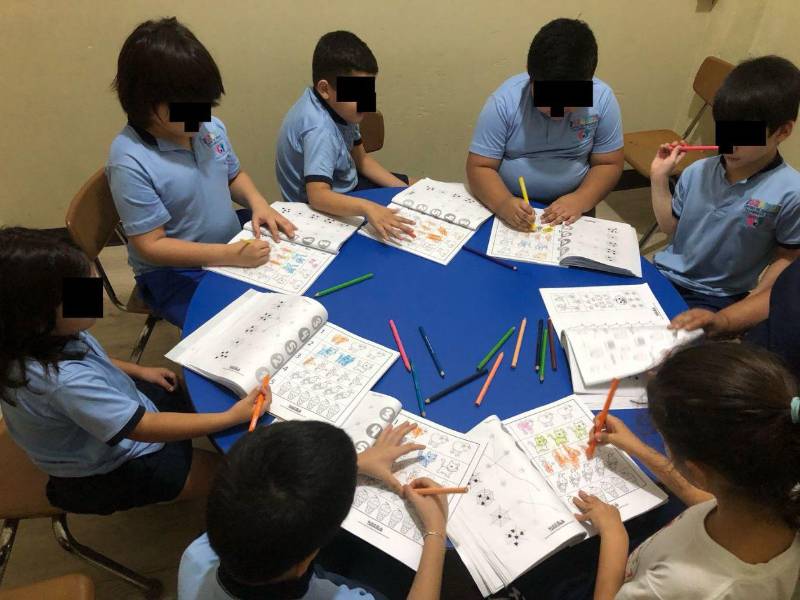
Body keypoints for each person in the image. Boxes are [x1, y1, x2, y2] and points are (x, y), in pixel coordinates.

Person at [0, 228, 268, 515]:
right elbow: (142, 428)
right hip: (111, 468)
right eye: (84, 289)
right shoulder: (61, 383)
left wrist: (138, 371)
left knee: (178, 390)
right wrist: (230, 418)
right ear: (38, 314)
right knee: (238, 476)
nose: (97, 295)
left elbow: (92, 356)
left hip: (112, 415)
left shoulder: (32, 339)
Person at [107, 17, 296, 328]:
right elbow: (151, 245)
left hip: (227, 240)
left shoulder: (207, 127)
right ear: (143, 102)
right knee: (239, 326)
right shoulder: (129, 159)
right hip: (170, 271)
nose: (200, 115)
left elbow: (233, 175)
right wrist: (229, 256)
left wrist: (259, 204)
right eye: (186, 106)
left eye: (205, 103)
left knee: (290, 282)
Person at [575, 342, 800, 599]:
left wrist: (614, 534)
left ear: (698, 472)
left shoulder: (675, 586)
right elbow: (712, 499)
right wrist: (636, 447)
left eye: (664, 439)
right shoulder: (775, 495)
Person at [178, 421, 448, 599]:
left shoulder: (194, 556)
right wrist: (435, 531)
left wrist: (350, 465)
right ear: (305, 561)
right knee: (389, 564)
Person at [651, 55, 800, 312]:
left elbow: (786, 257)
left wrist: (745, 311)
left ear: (783, 131)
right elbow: (669, 228)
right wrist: (659, 178)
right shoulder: (697, 171)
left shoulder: (791, 192)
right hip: (663, 274)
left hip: (717, 297)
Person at [466, 18, 624, 230]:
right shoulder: (504, 101)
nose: (557, 113)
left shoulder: (602, 99)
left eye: (568, 103)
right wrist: (503, 203)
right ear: (531, 78)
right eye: (548, 100)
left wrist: (580, 199)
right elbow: (480, 166)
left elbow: (609, 163)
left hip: (575, 208)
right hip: (510, 203)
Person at [275, 30, 417, 241]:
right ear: (325, 89)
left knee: (418, 188)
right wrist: (368, 207)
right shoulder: (319, 129)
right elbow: (318, 196)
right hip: (317, 206)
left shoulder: (340, 108)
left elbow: (362, 161)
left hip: (347, 183)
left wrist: (406, 194)